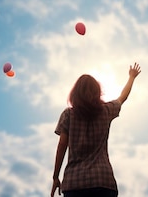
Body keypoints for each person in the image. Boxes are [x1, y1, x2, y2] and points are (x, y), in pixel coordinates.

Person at [51, 63, 142, 197]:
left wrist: (55, 177)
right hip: (103, 181)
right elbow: (123, 97)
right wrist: (131, 77)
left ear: (75, 93)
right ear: (97, 92)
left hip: (75, 183)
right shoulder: (106, 111)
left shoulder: (68, 114)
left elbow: (62, 145)